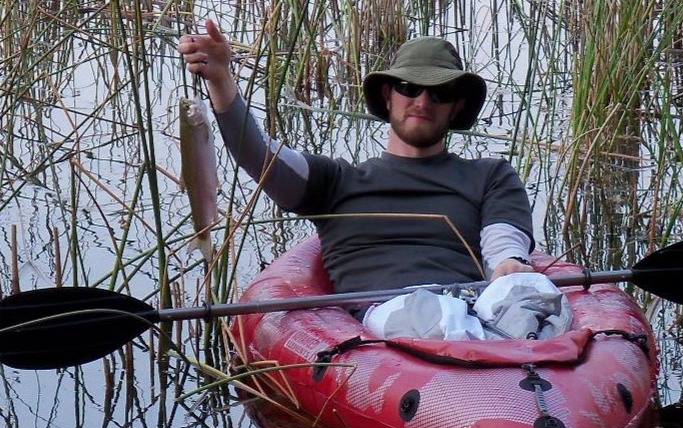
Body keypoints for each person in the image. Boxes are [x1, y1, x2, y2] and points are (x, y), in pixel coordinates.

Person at [177, 19, 535, 297]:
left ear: (457, 107)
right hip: (377, 333)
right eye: (409, 88)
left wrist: (509, 264)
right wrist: (221, 79)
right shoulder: (334, 182)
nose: (423, 101)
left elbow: (503, 241)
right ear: (387, 94)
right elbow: (257, 153)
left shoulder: (491, 175)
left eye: (440, 93)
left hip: (470, 317)